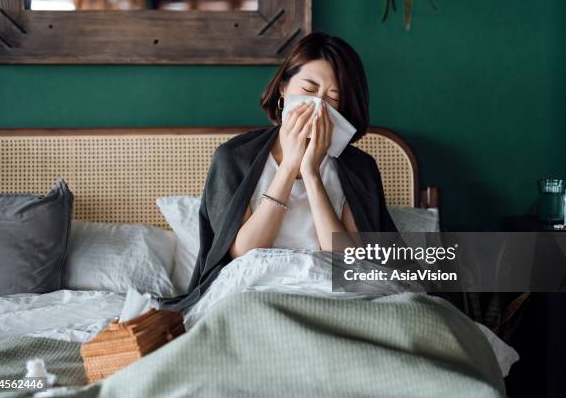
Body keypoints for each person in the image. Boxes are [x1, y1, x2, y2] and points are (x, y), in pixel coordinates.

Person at [158, 31, 397, 311]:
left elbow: (350, 262)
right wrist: (288, 168)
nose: (318, 107)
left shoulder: (359, 168)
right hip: (255, 291)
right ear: (284, 88)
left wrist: (311, 173)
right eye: (308, 90)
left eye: (332, 99)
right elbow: (243, 252)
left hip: (330, 294)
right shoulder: (233, 158)